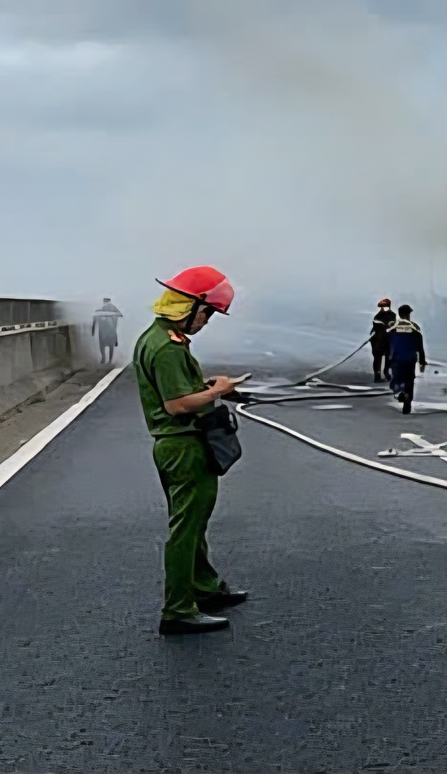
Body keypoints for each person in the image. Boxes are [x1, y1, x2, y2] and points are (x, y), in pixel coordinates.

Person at [133, 265, 248, 636]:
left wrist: (209, 385)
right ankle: (179, 608)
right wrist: (216, 391)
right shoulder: (167, 347)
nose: (207, 320)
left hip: (178, 445)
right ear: (192, 306)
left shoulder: (158, 337)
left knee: (195, 523)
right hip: (183, 444)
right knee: (186, 527)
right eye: (208, 312)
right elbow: (178, 404)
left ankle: (204, 587)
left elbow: (182, 388)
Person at [386, 304, 427, 414]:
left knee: (397, 378)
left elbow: (388, 345)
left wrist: (387, 362)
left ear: (399, 314)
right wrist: (422, 361)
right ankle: (407, 399)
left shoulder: (393, 327)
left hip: (396, 359)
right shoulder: (414, 327)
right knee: (410, 380)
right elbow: (420, 346)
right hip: (410, 359)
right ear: (409, 314)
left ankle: (401, 393)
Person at [369, 297, 397, 381]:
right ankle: (377, 375)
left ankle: (386, 372)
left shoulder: (393, 315)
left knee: (389, 357)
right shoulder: (377, 316)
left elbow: (393, 326)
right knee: (377, 357)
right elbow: (375, 327)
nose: (383, 309)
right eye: (382, 307)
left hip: (388, 339)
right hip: (378, 340)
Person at [91, 298, 124, 365]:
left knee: (110, 345)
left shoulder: (113, 308)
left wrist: (93, 330)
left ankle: (109, 360)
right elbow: (95, 320)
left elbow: (120, 315)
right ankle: (104, 358)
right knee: (102, 346)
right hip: (103, 331)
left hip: (110, 331)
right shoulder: (100, 309)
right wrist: (93, 330)